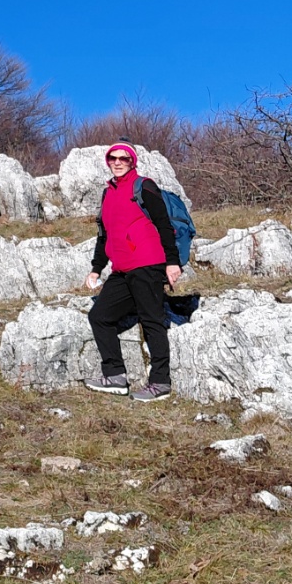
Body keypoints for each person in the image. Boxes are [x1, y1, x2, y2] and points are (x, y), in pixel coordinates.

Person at [81, 141, 182, 402]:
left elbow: (164, 225)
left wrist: (172, 262)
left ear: (132, 161)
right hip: (122, 269)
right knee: (99, 316)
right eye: (112, 158)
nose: (117, 162)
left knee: (152, 320)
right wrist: (96, 269)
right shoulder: (108, 194)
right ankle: (115, 376)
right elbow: (104, 235)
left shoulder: (144, 186)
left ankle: (160, 383)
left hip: (147, 263)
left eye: (123, 158)